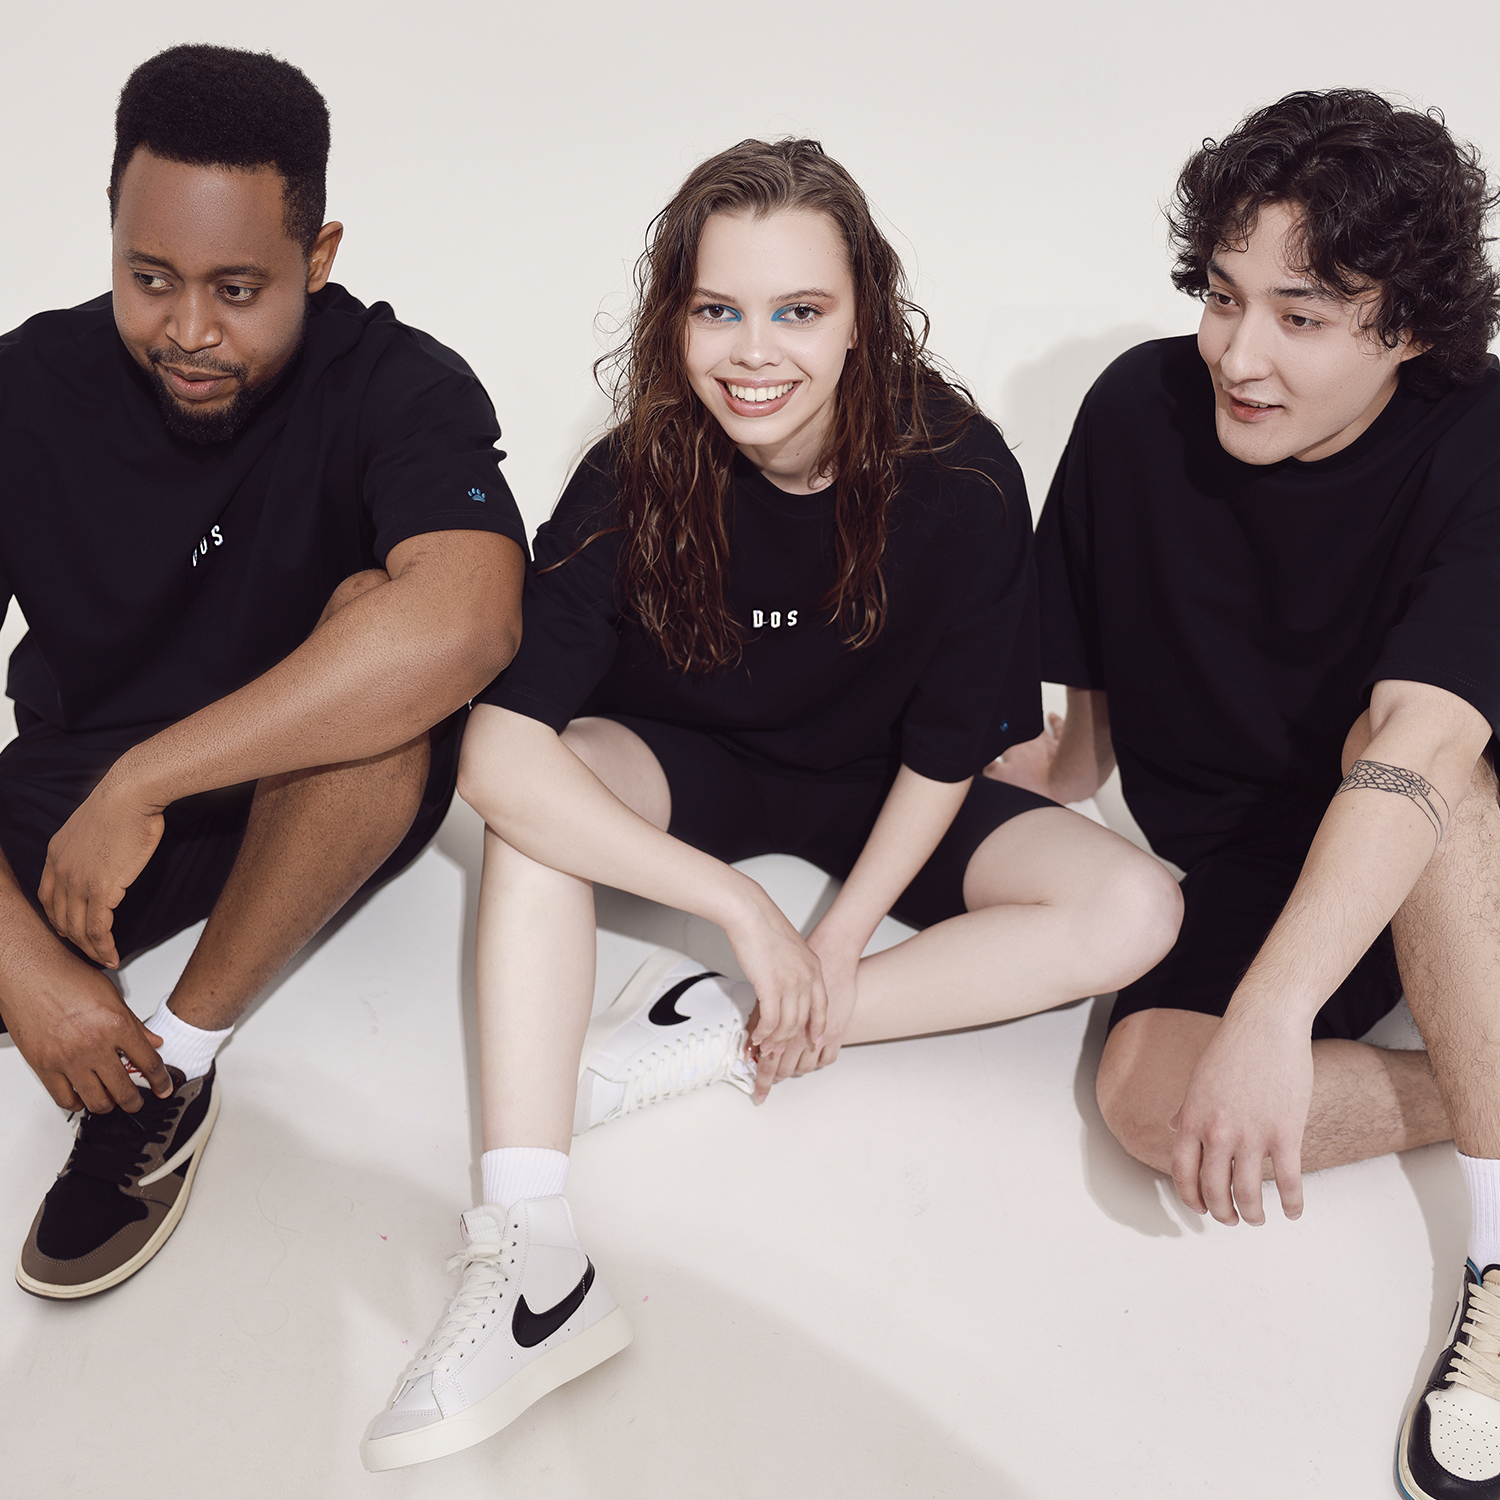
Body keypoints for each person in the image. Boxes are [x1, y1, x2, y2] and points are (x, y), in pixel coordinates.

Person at [359, 137, 1182, 1471]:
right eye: (718, 310)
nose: (755, 354)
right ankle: (532, 1249)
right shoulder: (635, 471)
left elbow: (944, 757)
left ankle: (716, 1035)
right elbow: (495, 757)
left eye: (799, 310)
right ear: (674, 318)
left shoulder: (962, 477)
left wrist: (833, 943)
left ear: (864, 315)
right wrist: (742, 908)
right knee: (537, 811)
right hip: (688, 766)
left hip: (883, 789)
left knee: (1136, 908)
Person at [996, 90, 1500, 1498]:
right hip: (1257, 855)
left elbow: (1419, 736)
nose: (1240, 353)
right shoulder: (1134, 413)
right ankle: (1479, 1080)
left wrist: (1275, 1015)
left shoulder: (1481, 437)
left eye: (1302, 315)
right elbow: (1081, 750)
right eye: (1224, 297)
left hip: (1457, 830)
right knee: (1150, 1104)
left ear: (1408, 328)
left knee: (1432, 771)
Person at [1, 45, 526, 1302]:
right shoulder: (23, 386)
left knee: (381, 634)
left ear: (319, 255)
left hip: (313, 791)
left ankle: (174, 1068)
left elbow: (467, 621)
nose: (189, 331)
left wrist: (148, 780)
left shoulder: (399, 385)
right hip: (71, 803)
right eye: (150, 279)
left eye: (238, 289)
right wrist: (26, 969)